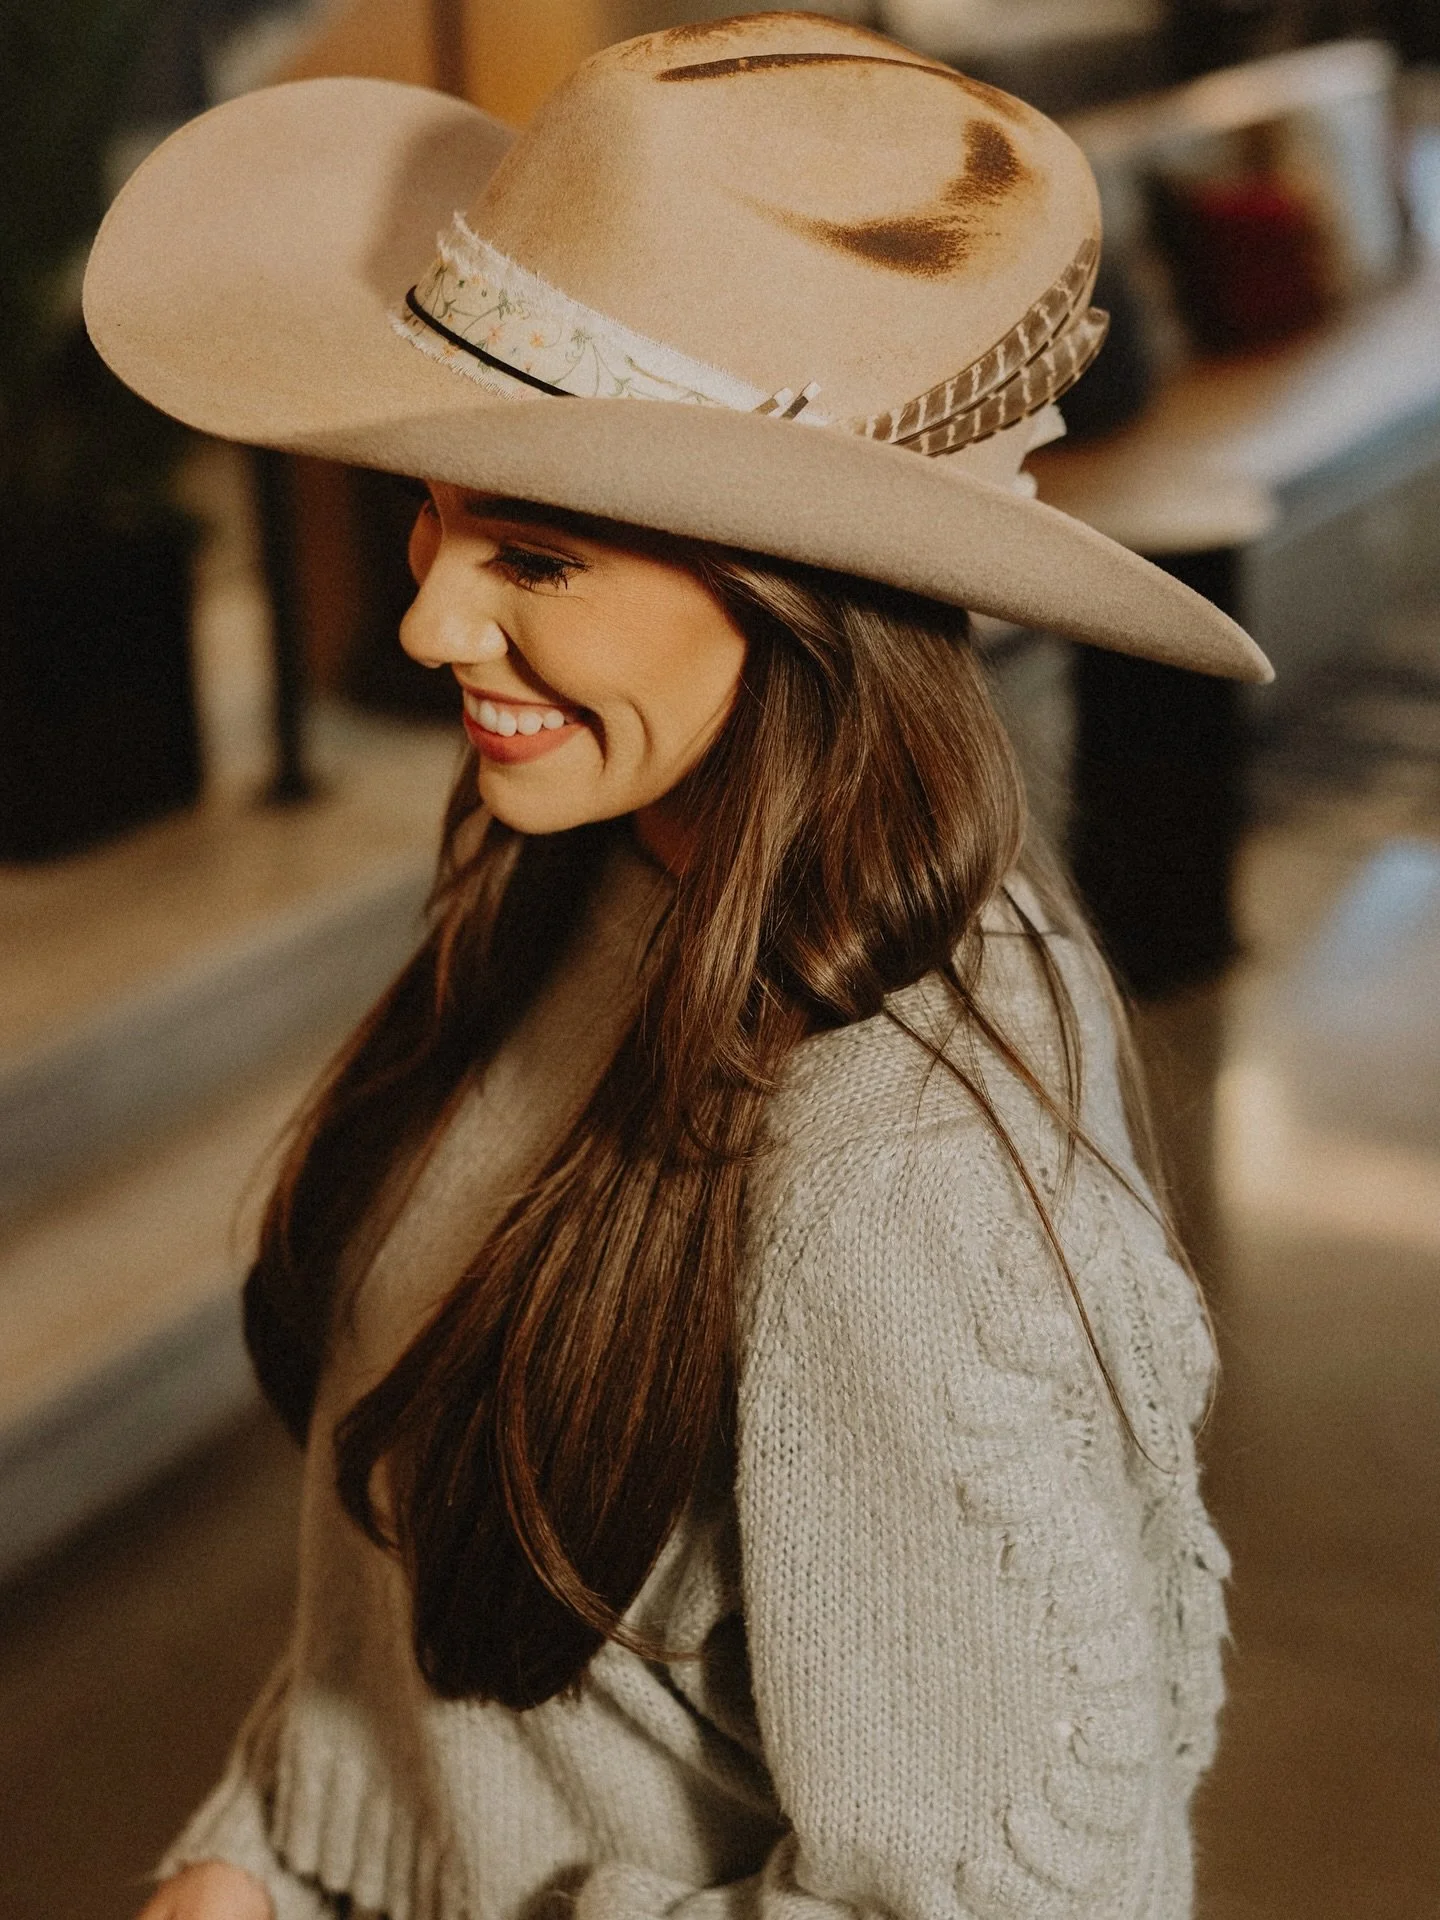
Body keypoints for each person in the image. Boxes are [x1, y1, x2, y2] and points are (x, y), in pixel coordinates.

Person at [83, 15, 1271, 1920]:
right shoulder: (604, 868)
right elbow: (424, 1623)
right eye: (433, 506)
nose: (427, 617)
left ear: (806, 600)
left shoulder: (904, 1182)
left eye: (536, 556)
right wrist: (256, 1845)